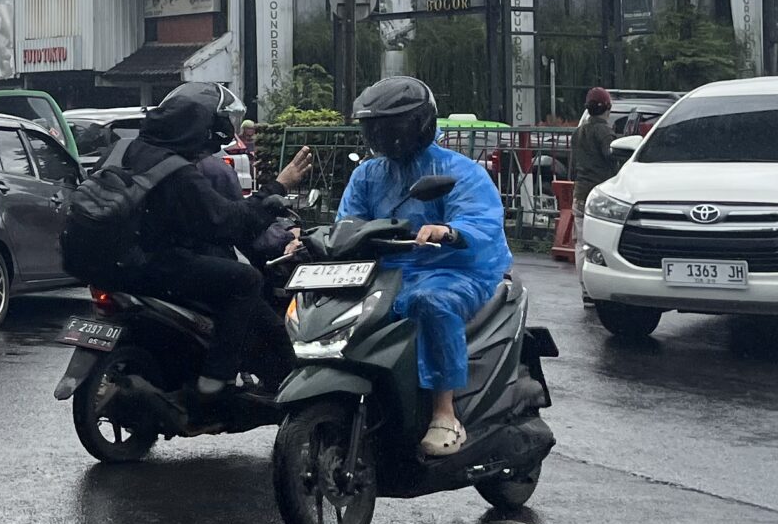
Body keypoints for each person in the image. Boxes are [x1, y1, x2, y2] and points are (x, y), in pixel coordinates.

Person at [318, 75, 511, 457]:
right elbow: (349, 221)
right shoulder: (368, 174)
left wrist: (449, 230)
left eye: (391, 127)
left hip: (454, 269)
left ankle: (445, 412)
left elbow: (482, 219)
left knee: (431, 302)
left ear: (419, 124)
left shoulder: (457, 170)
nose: (383, 136)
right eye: (375, 127)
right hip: (389, 271)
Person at [117, 82, 314, 389]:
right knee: (247, 280)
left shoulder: (133, 152)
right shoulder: (191, 173)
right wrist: (278, 188)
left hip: (125, 263)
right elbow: (231, 222)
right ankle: (216, 377)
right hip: (164, 267)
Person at [570, 87, 619, 199]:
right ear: (608, 108)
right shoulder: (605, 133)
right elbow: (613, 161)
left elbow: (572, 168)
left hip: (579, 193)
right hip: (600, 194)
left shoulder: (577, 132)